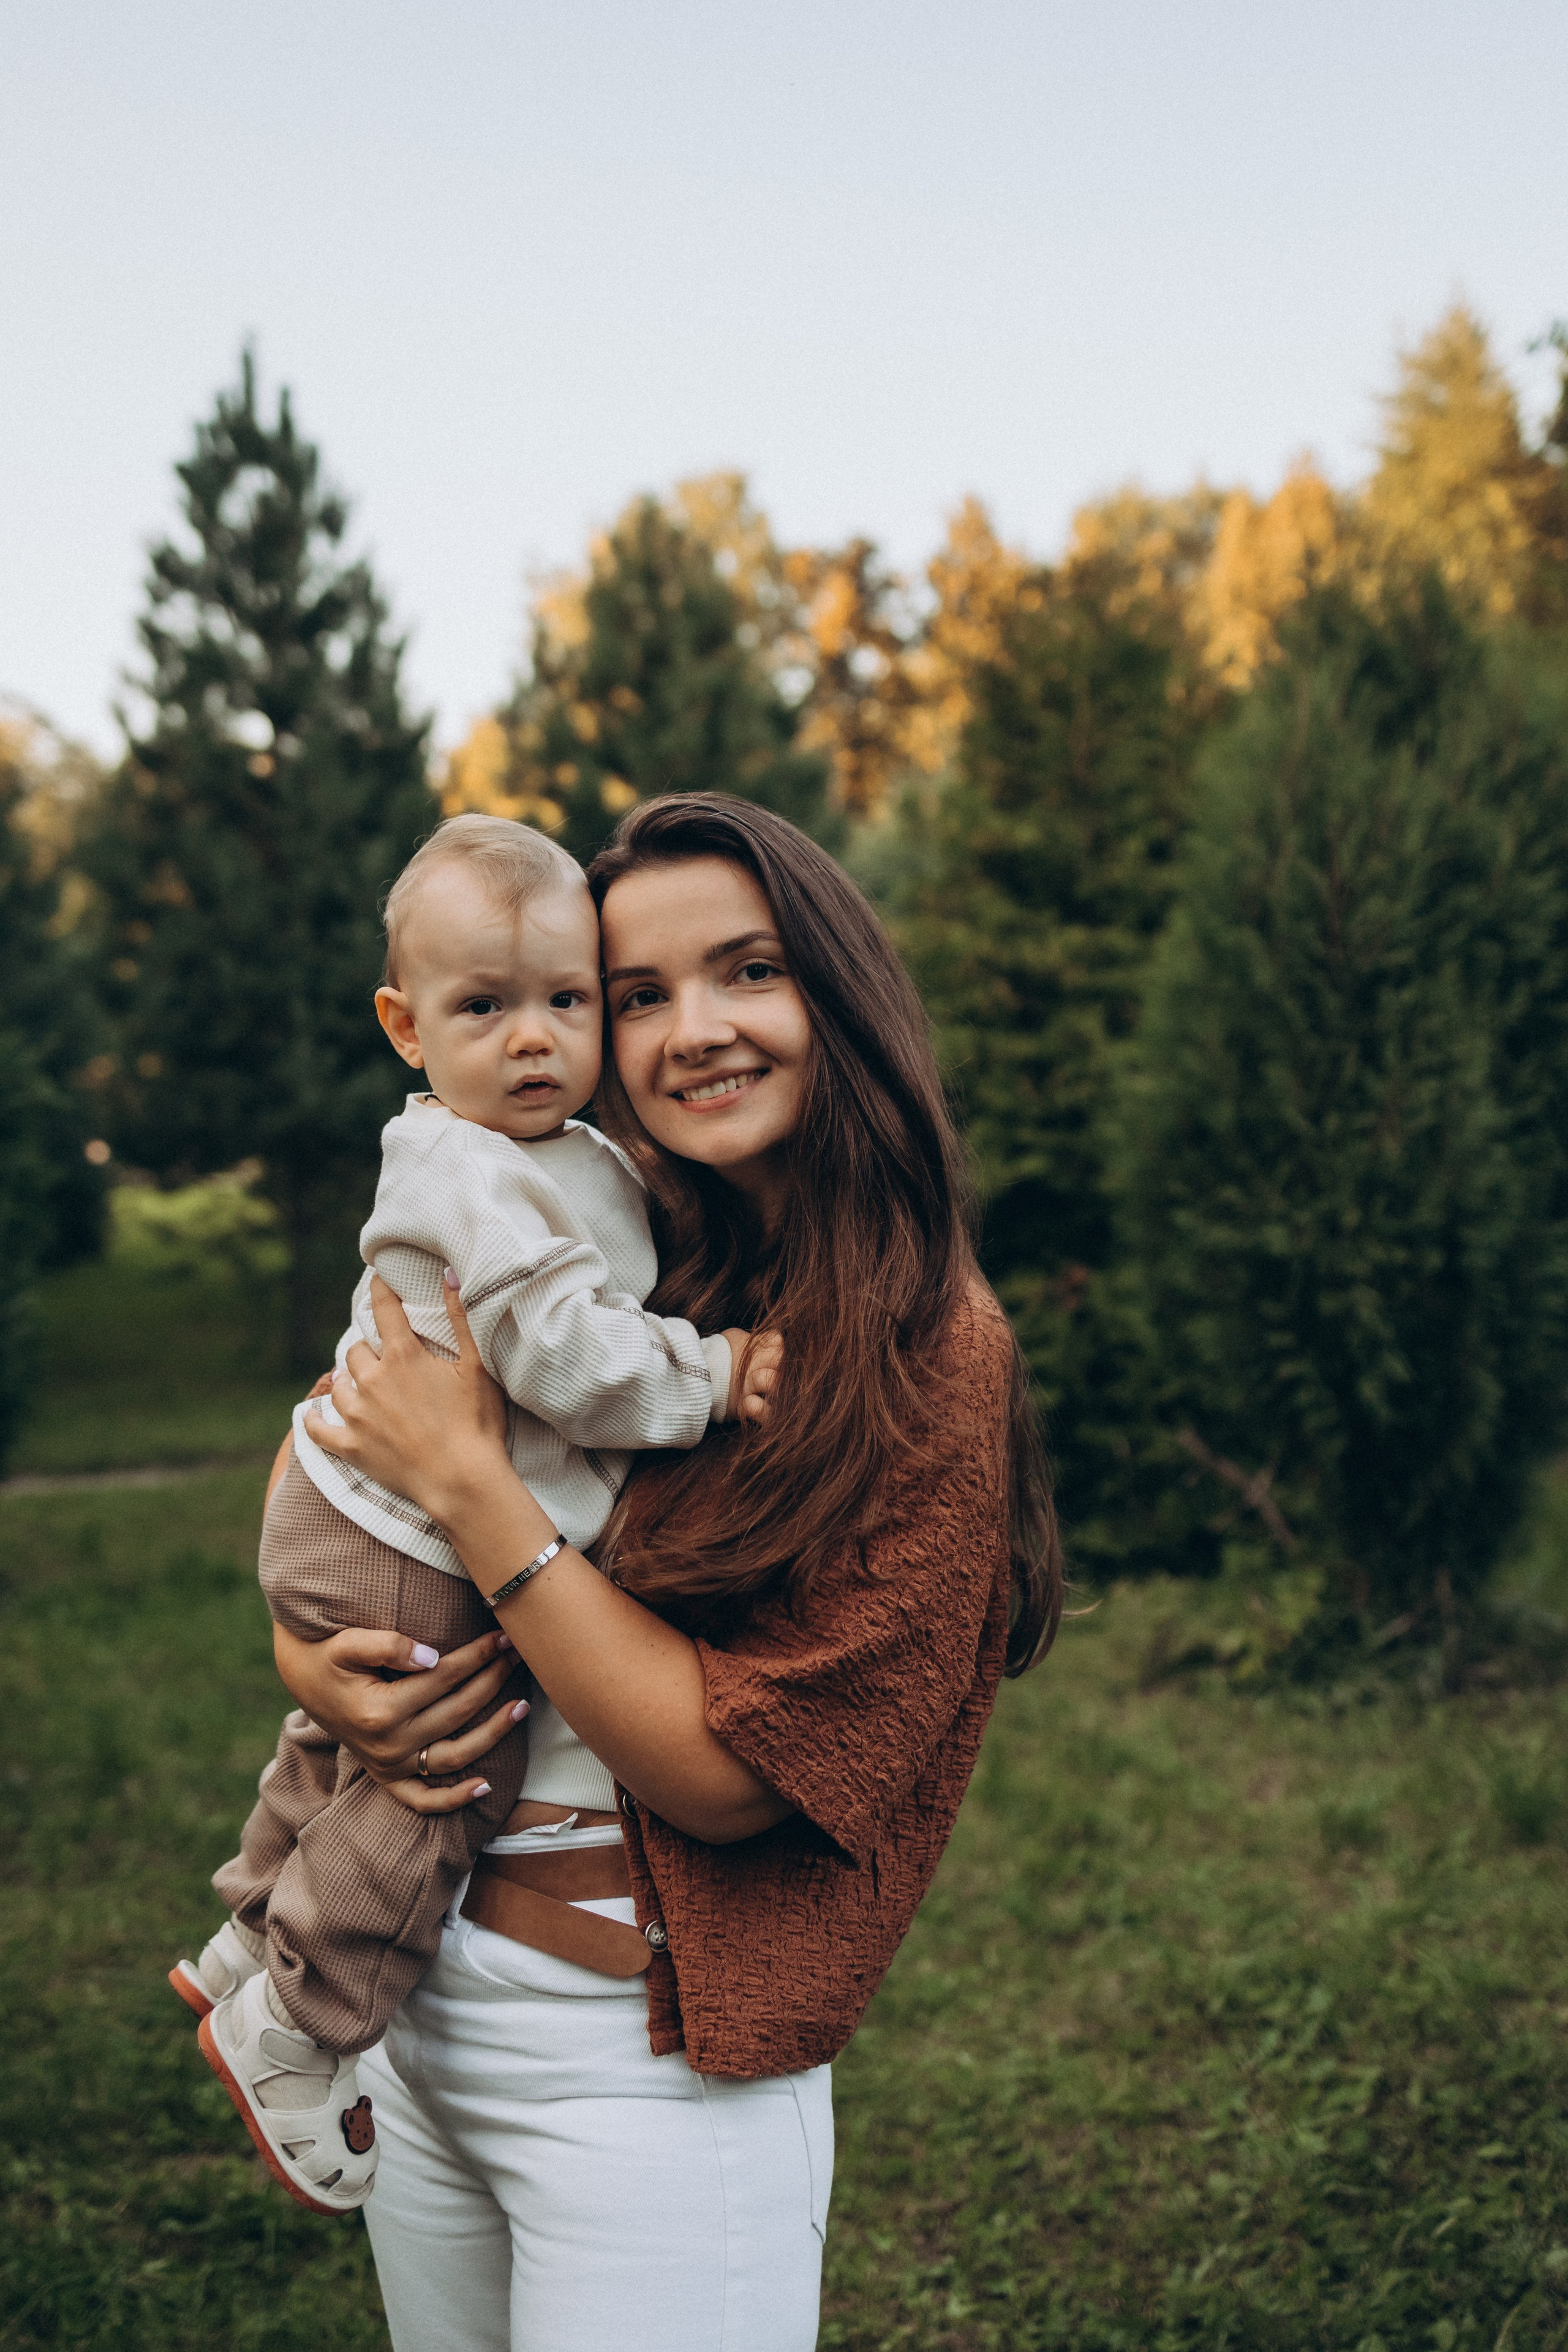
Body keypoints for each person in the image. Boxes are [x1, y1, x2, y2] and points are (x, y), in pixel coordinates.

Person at [275, 794, 1062, 2352]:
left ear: (833, 995)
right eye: (637, 994)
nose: (690, 1029)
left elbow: (730, 1776)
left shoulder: (928, 1353)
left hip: (645, 2065)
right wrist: (321, 1670)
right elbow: (368, 1438)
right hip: (424, 2005)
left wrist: (474, 1492)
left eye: (747, 971)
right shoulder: (610, 1245)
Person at [173, 813, 775, 2217]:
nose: (532, 1042)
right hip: (401, 1524)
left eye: (566, 1002)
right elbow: (565, 1352)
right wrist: (711, 1373)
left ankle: (250, 1930)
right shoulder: (475, 1172)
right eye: (484, 1008)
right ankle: (300, 2025)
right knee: (447, 1773)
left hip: (361, 1498)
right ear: (403, 1025)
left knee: (354, 1726)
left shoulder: (548, 1148)